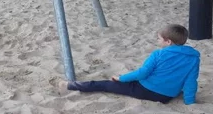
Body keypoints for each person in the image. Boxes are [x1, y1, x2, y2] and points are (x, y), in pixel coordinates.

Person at [59, 24, 200, 105]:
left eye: (159, 39)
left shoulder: (159, 54)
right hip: (167, 96)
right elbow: (190, 81)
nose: (158, 41)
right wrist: (189, 101)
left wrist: (121, 78)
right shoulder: (194, 58)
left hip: (147, 90)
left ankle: (70, 85)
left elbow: (142, 73)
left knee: (105, 84)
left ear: (168, 41)